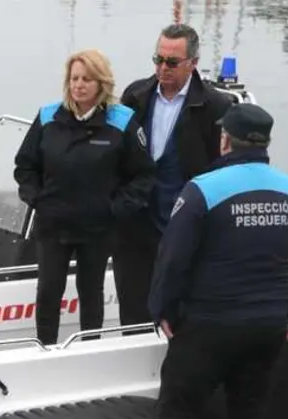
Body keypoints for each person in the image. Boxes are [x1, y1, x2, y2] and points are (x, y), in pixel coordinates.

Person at [147, 103, 288, 419]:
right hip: (267, 327)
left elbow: (172, 259)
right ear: (265, 142)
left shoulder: (203, 190)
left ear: (225, 140)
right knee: (250, 417)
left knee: (176, 413)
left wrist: (163, 310)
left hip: (208, 324)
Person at [13, 48, 156, 346]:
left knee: (91, 292)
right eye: (74, 78)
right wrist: (37, 198)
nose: (78, 85)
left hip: (98, 227)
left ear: (101, 83)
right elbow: (25, 165)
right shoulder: (48, 117)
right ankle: (46, 349)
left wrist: (116, 208)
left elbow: (143, 175)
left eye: (86, 79)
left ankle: (90, 347)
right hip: (53, 224)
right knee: (48, 291)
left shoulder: (122, 122)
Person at [115, 23, 233, 328]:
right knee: (132, 308)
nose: (162, 68)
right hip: (134, 225)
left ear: (193, 63)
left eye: (171, 62)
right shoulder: (135, 95)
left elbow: (222, 169)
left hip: (183, 225)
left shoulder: (216, 106)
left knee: (179, 310)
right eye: (158, 59)